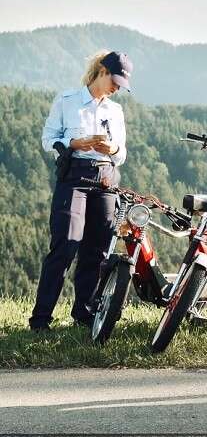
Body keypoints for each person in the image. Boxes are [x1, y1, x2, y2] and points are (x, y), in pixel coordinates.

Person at [31, 51, 133, 331]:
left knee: (97, 250)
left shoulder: (116, 111)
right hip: (74, 176)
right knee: (65, 243)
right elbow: (48, 140)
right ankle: (41, 319)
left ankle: (84, 314)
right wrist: (76, 143)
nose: (116, 88)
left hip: (105, 179)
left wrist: (111, 148)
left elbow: (121, 153)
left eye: (121, 85)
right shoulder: (67, 101)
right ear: (101, 71)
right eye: (114, 81)